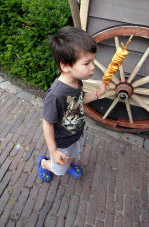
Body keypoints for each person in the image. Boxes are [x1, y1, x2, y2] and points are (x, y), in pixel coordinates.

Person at [38, 26, 109, 182]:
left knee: (72, 156)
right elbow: (47, 123)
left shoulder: (76, 82)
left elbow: (79, 100)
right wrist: (53, 150)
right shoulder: (56, 95)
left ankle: (68, 164)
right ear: (65, 66)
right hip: (61, 142)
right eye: (86, 63)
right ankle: (44, 163)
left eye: (93, 61)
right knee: (59, 169)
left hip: (75, 134)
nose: (93, 67)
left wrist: (98, 94)